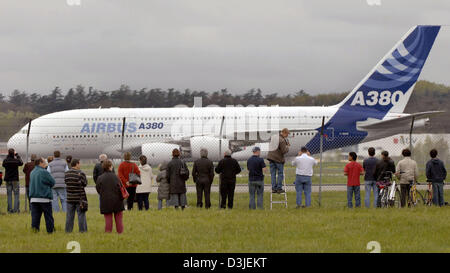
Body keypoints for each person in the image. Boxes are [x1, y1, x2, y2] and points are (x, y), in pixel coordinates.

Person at [96, 160, 125, 234]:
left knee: (108, 218)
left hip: (106, 200)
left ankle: (108, 233)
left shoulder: (100, 178)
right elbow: (121, 188)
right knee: (118, 218)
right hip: (117, 200)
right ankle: (120, 232)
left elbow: (98, 189)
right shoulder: (116, 177)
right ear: (110, 167)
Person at [29, 157, 55, 233]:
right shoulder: (44, 172)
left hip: (34, 198)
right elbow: (52, 182)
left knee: (35, 217)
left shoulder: (32, 172)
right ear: (40, 163)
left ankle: (34, 231)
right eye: (44, 162)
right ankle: (50, 231)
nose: (45, 164)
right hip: (44, 198)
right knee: (48, 217)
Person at [64, 159, 88, 233]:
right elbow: (85, 184)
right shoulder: (80, 173)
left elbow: (66, 182)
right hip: (79, 198)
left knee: (69, 216)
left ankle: (68, 231)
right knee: (81, 215)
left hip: (70, 198)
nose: (80, 165)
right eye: (79, 164)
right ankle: (82, 231)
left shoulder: (66, 173)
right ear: (77, 164)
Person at [267, 128, 290, 193]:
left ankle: (273, 188)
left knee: (273, 174)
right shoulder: (282, 140)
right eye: (287, 134)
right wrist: (287, 147)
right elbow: (284, 151)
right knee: (280, 173)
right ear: (284, 133)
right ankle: (279, 188)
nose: (287, 136)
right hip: (278, 159)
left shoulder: (274, 137)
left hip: (271, 158)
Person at [2, 148, 23, 213]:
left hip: (8, 179)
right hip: (15, 179)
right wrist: (17, 155)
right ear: (13, 153)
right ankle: (16, 209)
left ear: (8, 153)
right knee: (16, 195)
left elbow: (3, 164)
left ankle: (10, 210)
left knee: (9, 195)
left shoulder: (6, 160)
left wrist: (8, 156)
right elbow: (21, 162)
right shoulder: (16, 161)